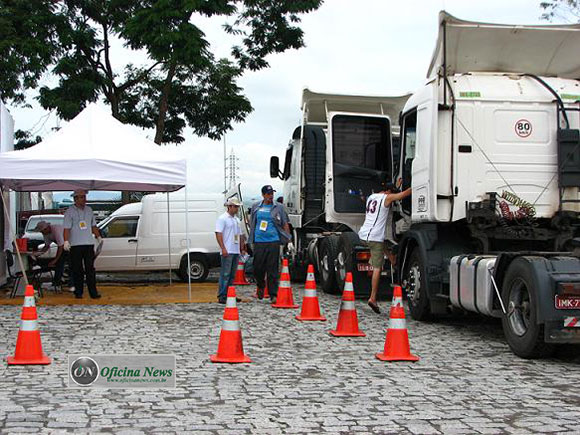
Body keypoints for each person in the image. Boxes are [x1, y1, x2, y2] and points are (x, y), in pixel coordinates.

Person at [358, 182, 411, 314]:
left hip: (363, 235)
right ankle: (372, 298)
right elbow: (403, 195)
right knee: (378, 267)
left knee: (384, 243)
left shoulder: (372, 197)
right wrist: (418, 183)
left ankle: (392, 258)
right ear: (388, 191)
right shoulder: (387, 198)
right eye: (392, 193)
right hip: (374, 237)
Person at [249, 185, 291, 304]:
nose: (270, 196)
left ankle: (273, 294)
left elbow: (284, 223)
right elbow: (252, 221)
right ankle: (261, 285)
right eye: (268, 194)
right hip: (259, 240)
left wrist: (288, 239)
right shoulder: (256, 207)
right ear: (263, 195)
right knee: (258, 267)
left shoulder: (279, 207)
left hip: (273, 239)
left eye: (272, 193)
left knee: (272, 268)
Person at [63, 189, 102, 299]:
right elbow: (66, 228)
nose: (84, 200)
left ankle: (93, 292)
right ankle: (78, 292)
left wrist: (98, 236)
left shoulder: (89, 210)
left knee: (90, 269)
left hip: (88, 243)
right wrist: (66, 241)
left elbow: (93, 225)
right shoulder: (70, 211)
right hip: (75, 244)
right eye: (81, 197)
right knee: (77, 269)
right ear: (75, 199)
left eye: (84, 197)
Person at [215, 197, 246, 304]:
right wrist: (223, 248)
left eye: (237, 207)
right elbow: (218, 234)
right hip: (228, 250)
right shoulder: (222, 218)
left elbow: (240, 234)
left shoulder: (236, 220)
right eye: (236, 206)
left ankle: (230, 294)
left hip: (235, 250)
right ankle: (222, 295)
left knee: (232, 275)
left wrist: (242, 247)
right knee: (225, 274)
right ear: (230, 206)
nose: (237, 209)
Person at [32, 220, 72, 290]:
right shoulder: (46, 234)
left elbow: (61, 247)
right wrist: (37, 254)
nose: (42, 233)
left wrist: (55, 260)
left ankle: (71, 284)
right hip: (64, 245)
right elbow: (47, 246)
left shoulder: (56, 230)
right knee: (59, 264)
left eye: (42, 231)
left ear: (46, 228)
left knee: (70, 264)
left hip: (71, 244)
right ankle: (57, 282)